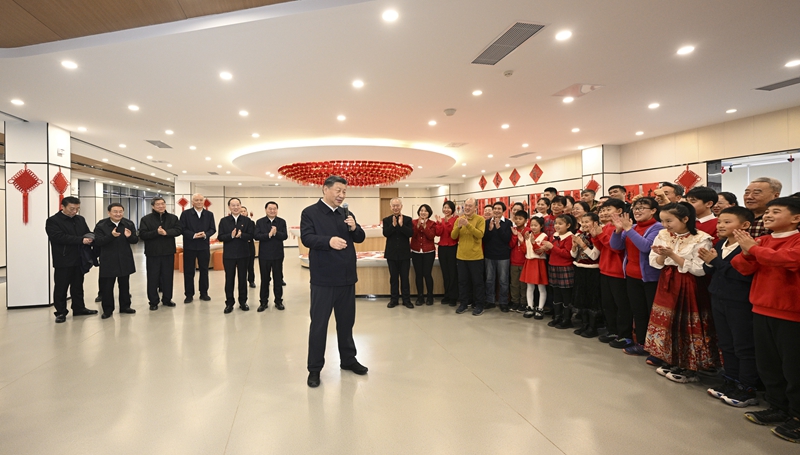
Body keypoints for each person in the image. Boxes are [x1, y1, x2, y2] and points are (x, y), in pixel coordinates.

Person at [731, 197, 800, 442]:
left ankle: (797, 416)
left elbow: (788, 260)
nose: (768, 215)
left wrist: (754, 249)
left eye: (776, 211)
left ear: (796, 218)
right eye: (768, 211)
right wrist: (749, 251)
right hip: (761, 309)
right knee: (769, 365)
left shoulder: (795, 240)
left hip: (791, 314)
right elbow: (741, 266)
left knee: (794, 368)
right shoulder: (762, 240)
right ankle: (778, 407)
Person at [300, 175, 367, 388]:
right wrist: (328, 241)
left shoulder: (346, 213)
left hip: (346, 278)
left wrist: (354, 228)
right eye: (338, 190)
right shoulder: (310, 212)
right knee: (319, 325)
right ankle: (314, 368)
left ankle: (348, 360)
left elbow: (360, 237)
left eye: (344, 191)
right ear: (325, 189)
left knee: (346, 323)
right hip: (323, 279)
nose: (341, 195)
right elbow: (307, 238)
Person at [644, 203, 718, 383]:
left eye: (669, 221)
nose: (665, 225)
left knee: (686, 323)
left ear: (685, 219)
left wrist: (672, 255)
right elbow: (655, 262)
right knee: (667, 322)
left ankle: (691, 367)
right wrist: (663, 255)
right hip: (667, 281)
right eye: (662, 221)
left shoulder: (701, 238)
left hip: (689, 283)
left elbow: (699, 269)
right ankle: (672, 359)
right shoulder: (663, 235)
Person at [699, 206, 757, 406]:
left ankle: (747, 386)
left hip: (739, 301)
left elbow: (742, 275)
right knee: (725, 342)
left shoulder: (747, 247)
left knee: (743, 345)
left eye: (727, 222)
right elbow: (710, 269)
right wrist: (709, 262)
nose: (721, 226)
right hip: (718, 297)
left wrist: (715, 262)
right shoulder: (721, 243)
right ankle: (730, 379)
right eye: (719, 222)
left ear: (745, 225)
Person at [609, 197, 663, 351]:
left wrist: (628, 230)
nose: (637, 211)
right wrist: (618, 230)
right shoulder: (632, 227)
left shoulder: (657, 228)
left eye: (642, 208)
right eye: (635, 208)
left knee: (650, 312)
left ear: (653, 211)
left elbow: (646, 247)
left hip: (650, 278)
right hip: (631, 276)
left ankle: (653, 346)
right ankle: (641, 343)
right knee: (638, 311)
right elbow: (616, 246)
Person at [45, 196, 98, 323]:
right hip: (63, 259)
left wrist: (91, 236)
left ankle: (79, 308)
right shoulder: (53, 221)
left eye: (77, 209)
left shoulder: (80, 219)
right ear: (62, 207)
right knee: (61, 287)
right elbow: (58, 237)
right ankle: (61, 312)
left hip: (79, 258)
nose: (74, 211)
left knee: (78, 285)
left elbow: (86, 232)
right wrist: (80, 240)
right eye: (72, 209)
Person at [591, 199, 631, 344]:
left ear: (619, 211)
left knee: (621, 306)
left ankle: (624, 335)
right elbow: (602, 247)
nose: (604, 212)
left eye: (608, 209)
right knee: (608, 305)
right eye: (603, 210)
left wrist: (600, 235)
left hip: (618, 272)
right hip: (605, 270)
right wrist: (595, 236)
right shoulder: (607, 226)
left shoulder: (624, 227)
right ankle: (612, 331)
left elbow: (616, 248)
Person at [93, 203, 139, 319]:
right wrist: (111, 236)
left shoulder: (128, 224)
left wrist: (129, 236)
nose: (118, 214)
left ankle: (125, 306)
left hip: (124, 258)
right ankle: (108, 310)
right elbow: (98, 241)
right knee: (107, 286)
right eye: (115, 211)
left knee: (124, 285)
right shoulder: (101, 225)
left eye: (120, 211)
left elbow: (135, 240)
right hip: (108, 259)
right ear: (109, 213)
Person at [139, 196, 182, 311]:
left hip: (168, 252)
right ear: (153, 206)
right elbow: (142, 234)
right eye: (158, 204)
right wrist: (156, 232)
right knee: (153, 277)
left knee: (168, 276)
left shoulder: (173, 218)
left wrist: (166, 232)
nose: (161, 206)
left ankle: (167, 299)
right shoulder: (146, 219)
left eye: (163, 204)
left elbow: (178, 230)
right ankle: (153, 301)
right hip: (153, 253)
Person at [218, 198, 255, 314]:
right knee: (229, 279)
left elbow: (251, 235)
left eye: (238, 205)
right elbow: (220, 237)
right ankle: (229, 303)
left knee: (242, 279)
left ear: (240, 206)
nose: (236, 207)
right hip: (229, 255)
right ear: (229, 207)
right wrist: (231, 236)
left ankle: (243, 302)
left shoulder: (247, 221)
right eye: (233, 205)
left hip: (243, 254)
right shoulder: (224, 221)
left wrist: (241, 235)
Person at [452, 197, 486, 316]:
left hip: (475, 257)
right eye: (465, 205)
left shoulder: (480, 219)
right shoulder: (459, 219)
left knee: (477, 282)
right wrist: (459, 227)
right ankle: (464, 303)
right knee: (462, 282)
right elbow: (453, 236)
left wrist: (468, 225)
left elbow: (480, 235)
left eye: (470, 206)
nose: (467, 208)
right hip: (461, 256)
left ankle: (479, 305)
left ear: (475, 208)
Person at [541, 214, 576, 329]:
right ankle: (557, 317)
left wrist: (552, 247)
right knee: (556, 293)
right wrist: (546, 249)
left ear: (568, 225)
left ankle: (567, 319)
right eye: (556, 223)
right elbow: (551, 252)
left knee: (566, 294)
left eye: (560, 224)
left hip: (565, 267)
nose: (557, 226)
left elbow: (567, 254)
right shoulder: (553, 236)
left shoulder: (570, 237)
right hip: (553, 266)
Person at [179, 193, 216, 303]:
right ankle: (189, 294)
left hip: (204, 246)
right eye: (196, 200)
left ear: (204, 201)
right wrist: (194, 235)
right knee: (189, 271)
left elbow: (213, 229)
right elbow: (182, 229)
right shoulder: (185, 214)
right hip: (189, 246)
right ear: (192, 202)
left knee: (204, 270)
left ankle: (204, 293)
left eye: (201, 200)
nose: (199, 202)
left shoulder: (209, 214)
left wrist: (205, 234)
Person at [571, 212, 602, 338]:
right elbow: (573, 255)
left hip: (592, 270)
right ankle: (584, 324)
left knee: (591, 299)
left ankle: (592, 327)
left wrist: (582, 244)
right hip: (579, 269)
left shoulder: (596, 236)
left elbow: (594, 255)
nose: (584, 224)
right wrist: (574, 246)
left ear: (595, 223)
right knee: (581, 298)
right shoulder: (579, 235)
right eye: (582, 222)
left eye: (587, 222)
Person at [254, 201, 288, 311]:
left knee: (278, 279)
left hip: (278, 255)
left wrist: (276, 233)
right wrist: (268, 235)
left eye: (274, 209)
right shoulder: (260, 222)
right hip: (264, 255)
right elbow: (256, 236)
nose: (272, 211)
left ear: (277, 210)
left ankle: (278, 301)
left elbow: (285, 236)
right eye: (270, 209)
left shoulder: (281, 222)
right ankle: (263, 302)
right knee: (264, 279)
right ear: (266, 210)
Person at [382, 198, 413, 309]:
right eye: (393, 206)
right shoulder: (386, 220)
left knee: (405, 278)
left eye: (397, 205)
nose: (395, 207)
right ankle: (394, 300)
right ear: (391, 207)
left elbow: (410, 233)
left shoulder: (408, 219)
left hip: (404, 254)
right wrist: (393, 225)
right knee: (393, 278)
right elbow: (385, 233)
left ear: (401, 206)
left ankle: (406, 300)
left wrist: (401, 225)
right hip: (391, 254)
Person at [484, 201, 512, 312]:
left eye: (499, 209)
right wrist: (490, 230)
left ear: (503, 211)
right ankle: (490, 300)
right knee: (489, 279)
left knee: (503, 280)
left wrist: (498, 227)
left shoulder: (508, 223)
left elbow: (506, 239)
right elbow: (485, 239)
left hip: (503, 256)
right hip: (489, 255)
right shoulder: (487, 222)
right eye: (495, 208)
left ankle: (503, 302)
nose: (496, 210)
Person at [521, 217, 548, 319]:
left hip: (539, 262)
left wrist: (533, 243)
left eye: (536, 225)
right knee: (530, 287)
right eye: (531, 225)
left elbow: (540, 252)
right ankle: (530, 307)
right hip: (529, 262)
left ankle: (540, 308)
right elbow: (524, 250)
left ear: (541, 226)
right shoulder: (528, 235)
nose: (533, 227)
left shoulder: (544, 236)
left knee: (541, 287)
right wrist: (522, 241)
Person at [411, 204, 436, 306]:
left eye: (425, 211)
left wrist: (425, 227)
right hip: (416, 252)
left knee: (427, 274)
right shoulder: (413, 222)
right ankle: (420, 296)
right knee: (418, 275)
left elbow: (431, 236)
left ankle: (430, 296)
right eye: (421, 210)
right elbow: (412, 235)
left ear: (429, 213)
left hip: (428, 252)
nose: (423, 212)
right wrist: (417, 227)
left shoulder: (432, 223)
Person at [435, 201, 459, 306]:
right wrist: (440, 223)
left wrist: (447, 223)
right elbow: (438, 233)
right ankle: (447, 295)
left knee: (453, 273)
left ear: (452, 209)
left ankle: (453, 296)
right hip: (442, 248)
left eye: (449, 208)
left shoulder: (456, 220)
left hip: (453, 247)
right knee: (445, 273)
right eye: (445, 207)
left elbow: (453, 234)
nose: (446, 210)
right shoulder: (440, 220)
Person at [509, 210, 530, 313]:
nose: (518, 221)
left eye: (520, 219)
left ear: (526, 220)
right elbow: (510, 245)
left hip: (525, 262)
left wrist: (522, 241)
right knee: (514, 284)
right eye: (516, 219)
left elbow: (528, 248)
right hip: (513, 261)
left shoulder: (528, 231)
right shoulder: (513, 230)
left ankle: (523, 303)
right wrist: (514, 236)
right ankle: (515, 302)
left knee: (523, 285)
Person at [240, 206, 257, 288]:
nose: (243, 212)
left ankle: (251, 280)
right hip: (240, 247)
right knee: (242, 266)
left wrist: (243, 236)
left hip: (250, 247)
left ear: (247, 213)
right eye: (241, 211)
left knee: (250, 265)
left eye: (244, 211)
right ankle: (242, 281)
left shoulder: (251, 222)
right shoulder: (236, 223)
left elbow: (253, 234)